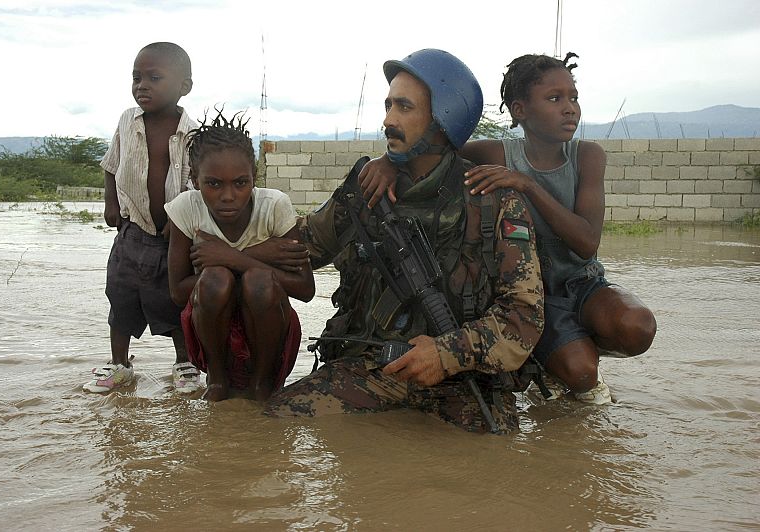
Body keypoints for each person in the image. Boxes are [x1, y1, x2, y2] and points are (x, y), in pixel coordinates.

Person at [262, 49, 544, 434]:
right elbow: (301, 247)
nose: (388, 120)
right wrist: (227, 242)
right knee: (271, 426)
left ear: (443, 120)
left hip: (465, 382)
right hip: (369, 371)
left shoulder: (492, 202)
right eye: (388, 105)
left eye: (404, 107)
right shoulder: (367, 188)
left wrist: (445, 354)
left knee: (491, 458)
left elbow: (524, 316)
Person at [358, 52, 657, 404]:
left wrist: (527, 185)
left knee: (637, 327)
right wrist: (388, 161)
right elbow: (432, 147)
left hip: (582, 282)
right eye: (555, 99)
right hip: (536, 294)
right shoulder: (496, 154)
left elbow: (586, 242)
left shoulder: (588, 155)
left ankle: (568, 348)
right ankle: (558, 359)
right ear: (520, 110)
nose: (570, 109)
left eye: (574, 98)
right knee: (581, 374)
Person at [164, 110, 315, 401]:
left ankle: (262, 384)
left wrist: (233, 257)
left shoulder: (274, 206)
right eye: (214, 184)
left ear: (254, 178)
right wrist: (257, 256)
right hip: (211, 329)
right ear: (194, 179)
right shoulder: (186, 208)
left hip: (267, 331)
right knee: (215, 279)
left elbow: (306, 289)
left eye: (240, 183)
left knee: (259, 281)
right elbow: (177, 292)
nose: (228, 196)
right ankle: (217, 381)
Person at [83, 42, 200, 394]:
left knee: (175, 300)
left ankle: (185, 363)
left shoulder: (192, 134)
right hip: (131, 232)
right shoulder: (127, 121)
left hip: (173, 239)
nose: (142, 86)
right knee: (121, 298)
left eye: (154, 78)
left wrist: (179, 221)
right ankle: (120, 365)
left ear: (184, 87)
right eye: (136, 78)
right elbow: (111, 164)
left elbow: (196, 186)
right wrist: (111, 204)